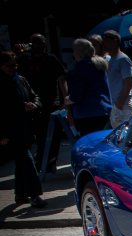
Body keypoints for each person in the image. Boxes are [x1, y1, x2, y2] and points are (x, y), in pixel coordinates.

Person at [0, 51, 47, 208]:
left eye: (15, 65)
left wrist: (35, 105)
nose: (13, 68)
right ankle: (35, 194)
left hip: (26, 127)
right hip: (11, 130)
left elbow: (35, 96)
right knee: (27, 160)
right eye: (9, 66)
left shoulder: (21, 80)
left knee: (21, 162)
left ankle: (20, 194)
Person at [17, 33, 67, 171]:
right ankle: (40, 161)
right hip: (32, 102)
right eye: (38, 43)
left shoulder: (51, 59)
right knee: (38, 135)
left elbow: (61, 78)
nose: (42, 46)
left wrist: (65, 97)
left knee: (53, 134)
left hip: (50, 101)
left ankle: (50, 161)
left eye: (43, 43)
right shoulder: (24, 59)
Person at [65, 38, 111, 137]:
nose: (73, 54)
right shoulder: (99, 65)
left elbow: (77, 95)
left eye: (74, 51)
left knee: (90, 145)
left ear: (78, 52)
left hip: (87, 114)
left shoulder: (80, 67)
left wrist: (69, 99)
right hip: (104, 110)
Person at [102, 30, 132, 128]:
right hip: (114, 105)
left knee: (122, 135)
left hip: (122, 106)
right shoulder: (109, 59)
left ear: (115, 41)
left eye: (106, 41)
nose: (104, 44)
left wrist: (119, 103)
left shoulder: (123, 59)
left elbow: (128, 83)